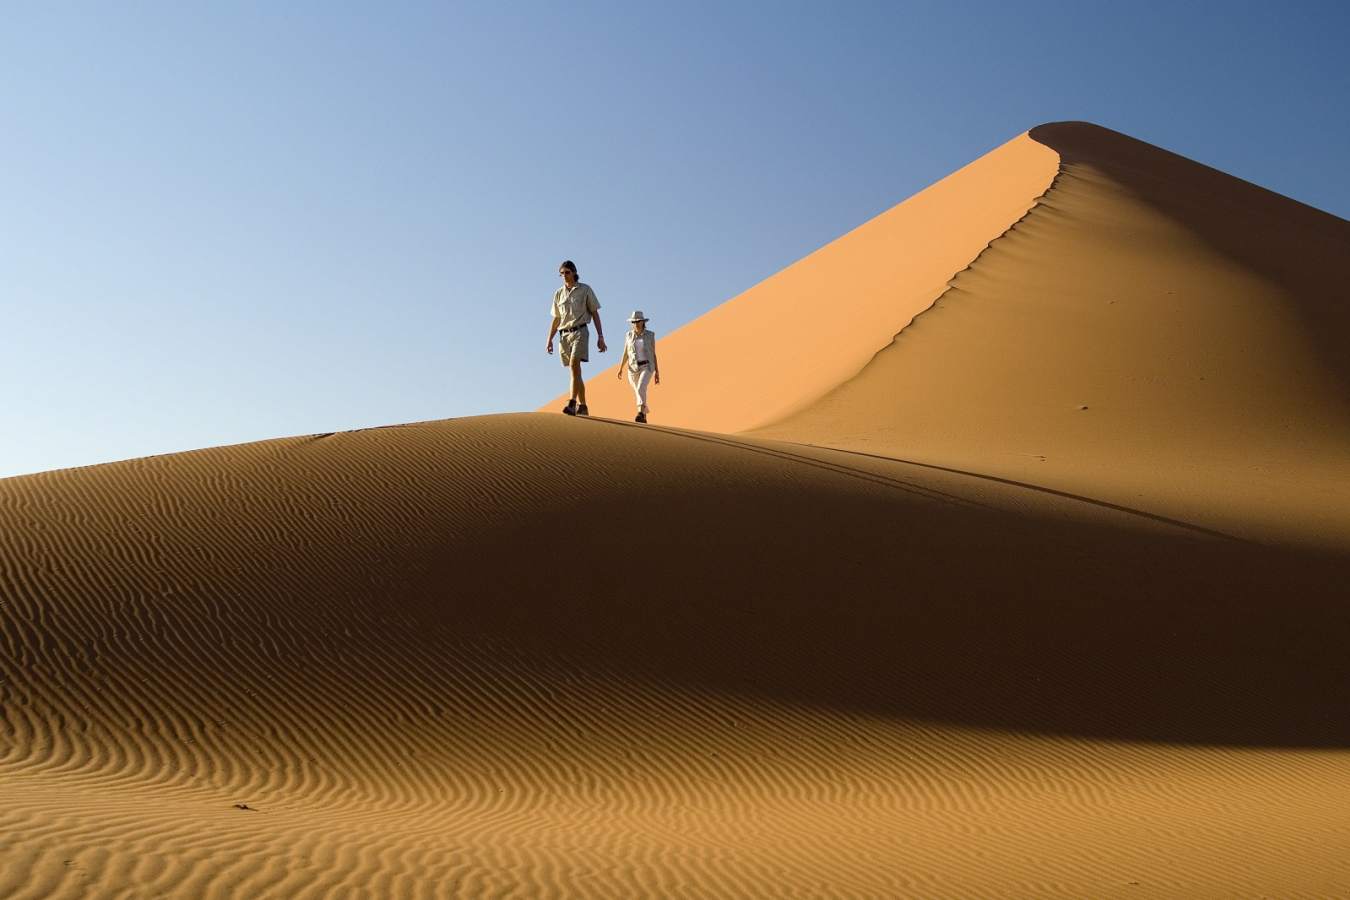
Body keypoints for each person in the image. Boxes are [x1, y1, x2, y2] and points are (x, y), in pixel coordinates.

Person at [546, 260, 606, 415]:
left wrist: (600, 336)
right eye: (561, 274)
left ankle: (572, 402)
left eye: (567, 272)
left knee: (574, 365)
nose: (564, 276)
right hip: (564, 335)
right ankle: (584, 405)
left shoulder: (585, 289)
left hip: (580, 331)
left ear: (574, 272)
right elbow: (556, 318)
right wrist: (549, 340)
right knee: (575, 372)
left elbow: (594, 312)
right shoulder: (558, 293)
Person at [616, 310, 659, 423]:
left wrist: (657, 372)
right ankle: (644, 414)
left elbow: (654, 353)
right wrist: (620, 368)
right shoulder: (628, 335)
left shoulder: (650, 335)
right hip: (632, 368)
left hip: (647, 366)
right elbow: (625, 352)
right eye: (634, 322)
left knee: (641, 387)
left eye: (638, 321)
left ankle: (640, 413)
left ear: (643, 322)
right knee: (638, 391)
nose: (636, 323)